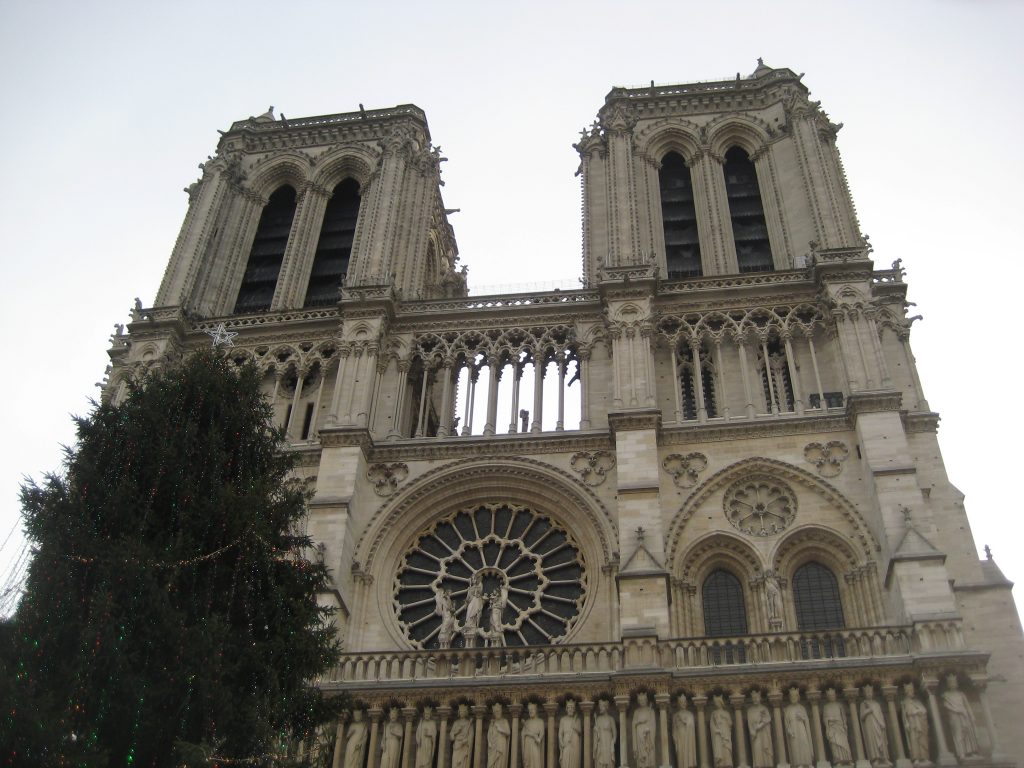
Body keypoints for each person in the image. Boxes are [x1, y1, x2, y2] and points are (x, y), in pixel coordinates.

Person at [942, 675, 980, 759]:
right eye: (951, 682)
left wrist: (972, 715)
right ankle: (961, 753)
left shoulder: (961, 694)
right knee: (959, 734)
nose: (953, 684)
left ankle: (971, 751)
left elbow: (967, 705)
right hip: (955, 716)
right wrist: (957, 710)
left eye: (954, 682)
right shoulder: (946, 695)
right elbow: (946, 705)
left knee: (969, 733)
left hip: (964, 715)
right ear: (948, 684)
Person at [859, 686, 889, 765]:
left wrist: (882, 723)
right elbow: (862, 716)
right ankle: (876, 758)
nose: (869, 694)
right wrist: (868, 711)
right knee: (873, 741)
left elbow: (880, 715)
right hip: (870, 725)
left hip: (879, 724)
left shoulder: (876, 704)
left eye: (870, 692)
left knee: (882, 740)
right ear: (865, 694)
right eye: (867, 693)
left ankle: (884, 757)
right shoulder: (864, 704)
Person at [900, 684, 930, 764]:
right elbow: (907, 713)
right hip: (913, 724)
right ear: (907, 692)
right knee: (914, 740)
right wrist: (916, 712)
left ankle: (924, 757)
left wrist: (919, 711)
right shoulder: (905, 702)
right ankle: (916, 758)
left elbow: (924, 710)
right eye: (911, 691)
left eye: (913, 691)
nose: (913, 692)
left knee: (922, 740)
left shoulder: (917, 701)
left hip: (921, 722)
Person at [784, 689, 813, 768]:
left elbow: (806, 719)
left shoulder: (801, 708)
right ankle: (798, 763)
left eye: (795, 696)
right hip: (793, 730)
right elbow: (786, 722)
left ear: (798, 697)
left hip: (801, 728)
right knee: (795, 746)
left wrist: (802, 718)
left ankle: (807, 762)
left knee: (804, 743)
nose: (793, 698)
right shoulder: (788, 709)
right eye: (792, 696)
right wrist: (789, 729)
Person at [822, 689, 852, 765]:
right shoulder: (826, 707)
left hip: (840, 726)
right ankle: (838, 760)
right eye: (830, 696)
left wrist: (844, 724)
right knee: (834, 743)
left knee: (844, 743)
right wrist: (829, 720)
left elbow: (843, 716)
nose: (832, 697)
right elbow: (825, 718)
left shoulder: (839, 705)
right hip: (832, 727)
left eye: (833, 695)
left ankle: (847, 759)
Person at [747, 691, 773, 768]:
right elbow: (749, 722)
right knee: (757, 749)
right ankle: (759, 765)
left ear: (760, 698)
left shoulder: (764, 709)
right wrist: (753, 730)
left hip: (764, 733)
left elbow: (768, 718)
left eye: (756, 697)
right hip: (756, 734)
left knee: (766, 748)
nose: (755, 699)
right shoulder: (750, 710)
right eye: (753, 698)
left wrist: (761, 724)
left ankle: (768, 764)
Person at [632, 692, 657, 768]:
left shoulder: (651, 711)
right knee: (641, 756)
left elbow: (653, 724)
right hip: (639, 734)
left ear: (646, 700)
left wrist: (649, 728)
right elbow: (634, 724)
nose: (642, 702)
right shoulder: (636, 712)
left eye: (643, 700)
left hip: (648, 735)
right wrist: (640, 722)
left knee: (649, 753)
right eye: (640, 700)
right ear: (638, 701)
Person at [673, 694, 697, 768]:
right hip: (680, 737)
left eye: (684, 702)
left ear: (686, 703)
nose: (683, 704)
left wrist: (684, 721)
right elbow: (674, 729)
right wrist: (675, 740)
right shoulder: (676, 715)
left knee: (688, 754)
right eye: (681, 702)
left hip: (688, 737)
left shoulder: (690, 714)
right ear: (678, 704)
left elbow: (691, 725)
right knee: (681, 754)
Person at [710, 695, 734, 768]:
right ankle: (720, 764)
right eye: (715, 703)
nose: (716, 704)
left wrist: (725, 719)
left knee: (726, 748)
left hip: (725, 733)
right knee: (718, 749)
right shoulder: (713, 713)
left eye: (717, 702)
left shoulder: (726, 713)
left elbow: (730, 724)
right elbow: (712, 725)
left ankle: (727, 763)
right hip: (718, 734)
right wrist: (716, 730)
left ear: (721, 703)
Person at [593, 699, 617, 768]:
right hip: (600, 742)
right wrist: (595, 731)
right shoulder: (598, 719)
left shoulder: (611, 719)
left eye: (601, 706)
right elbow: (596, 733)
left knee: (609, 759)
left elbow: (614, 732)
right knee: (600, 759)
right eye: (600, 706)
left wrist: (613, 740)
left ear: (606, 707)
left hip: (608, 741)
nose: (600, 708)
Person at [522, 702, 545, 768]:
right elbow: (523, 734)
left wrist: (539, 738)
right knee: (527, 761)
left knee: (536, 759)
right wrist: (527, 734)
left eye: (532, 709)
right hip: (527, 743)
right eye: (529, 710)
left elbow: (542, 733)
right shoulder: (527, 722)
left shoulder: (540, 721)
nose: (530, 711)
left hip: (535, 744)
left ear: (536, 710)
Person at [451, 703, 475, 768]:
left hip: (464, 745)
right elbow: (451, 737)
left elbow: (471, 736)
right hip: (457, 745)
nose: (462, 713)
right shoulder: (456, 723)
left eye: (463, 712)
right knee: (455, 762)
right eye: (460, 712)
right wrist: (456, 732)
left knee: (463, 762)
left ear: (466, 713)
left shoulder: (468, 723)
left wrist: (466, 741)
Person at [559, 699, 582, 768]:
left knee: (574, 759)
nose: (570, 709)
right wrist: (562, 743)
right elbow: (560, 734)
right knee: (565, 760)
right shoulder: (563, 719)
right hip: (566, 741)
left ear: (574, 709)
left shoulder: (577, 720)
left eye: (572, 708)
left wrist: (575, 727)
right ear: (566, 709)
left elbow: (580, 731)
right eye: (569, 707)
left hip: (575, 741)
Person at [488, 703, 511, 768]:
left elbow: (508, 732)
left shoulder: (504, 721)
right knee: (491, 762)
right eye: (495, 712)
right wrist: (489, 742)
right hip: (493, 744)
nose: (497, 713)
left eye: (498, 711)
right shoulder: (492, 722)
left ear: (501, 711)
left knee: (500, 760)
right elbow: (489, 734)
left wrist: (500, 729)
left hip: (501, 743)